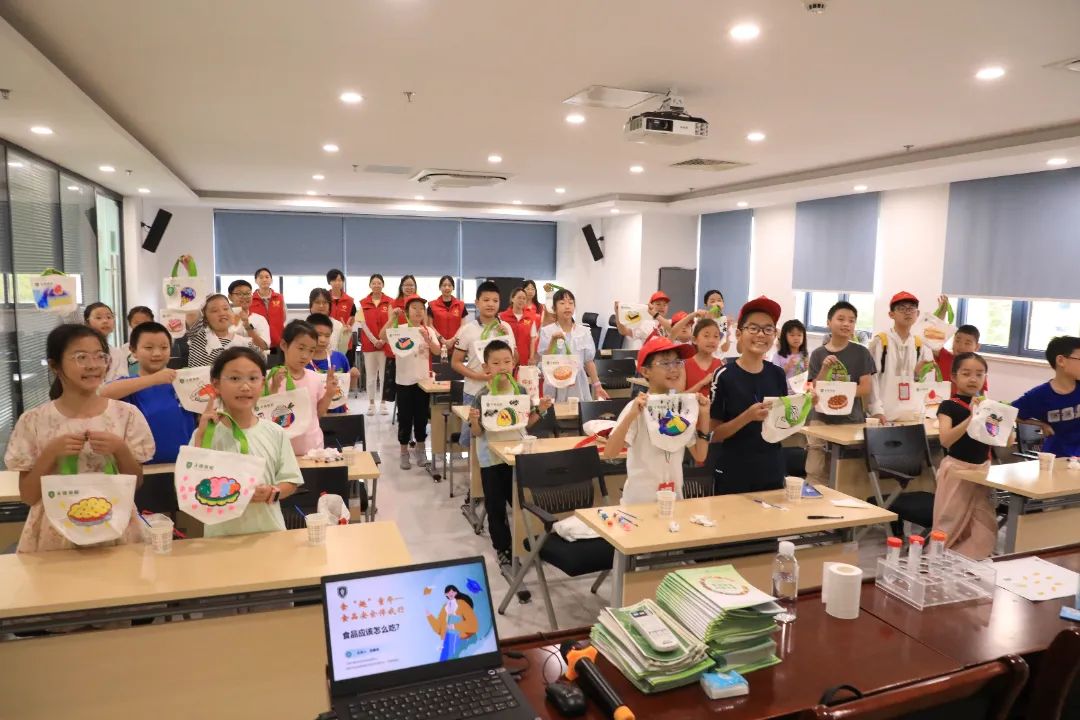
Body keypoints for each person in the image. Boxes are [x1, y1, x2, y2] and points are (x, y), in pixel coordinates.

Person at [5, 324, 155, 552]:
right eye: (81, 357)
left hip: (115, 526)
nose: (93, 365)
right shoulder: (33, 421)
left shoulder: (126, 415)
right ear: (55, 365)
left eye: (99, 356)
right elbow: (28, 496)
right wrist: (50, 454)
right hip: (56, 532)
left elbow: (135, 484)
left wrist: (120, 450)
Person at [191, 347, 302, 537]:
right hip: (220, 537)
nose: (245, 386)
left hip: (270, 534)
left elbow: (291, 481)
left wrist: (272, 491)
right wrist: (201, 437)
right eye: (235, 378)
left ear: (262, 383)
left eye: (253, 378)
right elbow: (192, 485)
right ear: (216, 384)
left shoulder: (275, 432)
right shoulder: (204, 433)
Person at [467, 340, 552, 571]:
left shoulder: (521, 392)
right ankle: (502, 547)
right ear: (486, 367)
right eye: (496, 363)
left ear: (514, 363)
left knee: (520, 503)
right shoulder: (482, 396)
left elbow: (527, 423)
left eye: (507, 361)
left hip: (517, 456)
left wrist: (541, 410)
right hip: (491, 459)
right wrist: (474, 420)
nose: (502, 367)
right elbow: (477, 433)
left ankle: (528, 543)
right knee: (495, 506)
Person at [605, 337, 711, 505]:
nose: (674, 369)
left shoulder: (681, 409)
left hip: (673, 501)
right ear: (646, 371)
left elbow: (700, 455)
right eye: (665, 363)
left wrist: (704, 415)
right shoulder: (637, 407)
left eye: (678, 362)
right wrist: (631, 416)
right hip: (638, 504)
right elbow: (610, 453)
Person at [709, 296, 791, 494]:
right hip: (735, 470)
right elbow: (713, 434)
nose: (761, 334)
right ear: (739, 333)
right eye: (753, 328)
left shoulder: (777, 374)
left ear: (774, 335)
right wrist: (747, 417)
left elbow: (783, 424)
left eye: (768, 329)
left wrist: (805, 405)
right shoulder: (724, 375)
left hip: (772, 468)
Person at [100, 322, 196, 464]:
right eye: (149, 348)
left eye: (164, 347)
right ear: (133, 351)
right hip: (142, 467)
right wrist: (153, 379)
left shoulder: (183, 382)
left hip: (183, 464)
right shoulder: (129, 385)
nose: (157, 353)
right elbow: (102, 393)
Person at [805, 302, 877, 487]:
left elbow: (865, 388)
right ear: (829, 322)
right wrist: (825, 369)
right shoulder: (818, 354)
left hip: (851, 420)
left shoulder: (861, 352)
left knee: (846, 475)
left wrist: (838, 392)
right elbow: (815, 388)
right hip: (821, 420)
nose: (846, 324)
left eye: (851, 321)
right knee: (815, 470)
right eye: (841, 319)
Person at [933, 353, 996, 558]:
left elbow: (1003, 440)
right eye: (966, 374)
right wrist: (972, 417)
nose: (973, 379)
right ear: (954, 377)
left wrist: (1003, 421)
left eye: (979, 374)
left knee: (983, 527)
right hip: (957, 470)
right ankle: (935, 562)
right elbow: (946, 440)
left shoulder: (988, 406)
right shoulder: (948, 406)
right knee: (948, 524)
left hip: (981, 471)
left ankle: (965, 563)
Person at [453, 280, 516, 449]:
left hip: (501, 393)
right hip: (474, 392)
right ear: (477, 302)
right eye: (486, 300)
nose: (491, 304)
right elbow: (455, 362)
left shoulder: (506, 327)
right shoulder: (468, 329)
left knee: (499, 433)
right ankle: (472, 467)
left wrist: (507, 338)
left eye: (495, 300)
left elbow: (515, 359)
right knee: (471, 439)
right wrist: (477, 376)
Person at [380, 295, 440, 470]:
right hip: (404, 381)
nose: (418, 311)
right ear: (406, 312)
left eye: (422, 308)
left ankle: (421, 450)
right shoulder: (400, 329)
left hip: (423, 382)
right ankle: (404, 452)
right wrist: (392, 317)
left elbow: (437, 351)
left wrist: (428, 339)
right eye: (414, 308)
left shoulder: (428, 330)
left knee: (421, 418)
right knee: (405, 418)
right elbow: (382, 336)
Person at [867, 291, 935, 421]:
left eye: (911, 308)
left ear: (917, 314)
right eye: (901, 308)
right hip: (885, 414)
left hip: (913, 414)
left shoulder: (920, 344)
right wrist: (876, 410)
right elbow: (872, 378)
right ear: (891, 314)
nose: (907, 312)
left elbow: (923, 384)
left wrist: (917, 374)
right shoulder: (880, 341)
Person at [269, 320, 334, 456]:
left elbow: (318, 414)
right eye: (301, 348)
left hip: (313, 450)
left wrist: (329, 394)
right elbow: (264, 416)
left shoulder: (314, 378)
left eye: (311, 350)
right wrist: (274, 388)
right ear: (284, 345)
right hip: (281, 453)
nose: (305, 355)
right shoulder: (270, 377)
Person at [535, 288, 609, 402]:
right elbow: (545, 360)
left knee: (579, 410)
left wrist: (597, 386)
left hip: (578, 383)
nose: (567, 306)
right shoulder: (547, 331)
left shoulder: (584, 331)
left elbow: (588, 362)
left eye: (571, 303)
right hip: (555, 382)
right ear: (554, 308)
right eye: (562, 303)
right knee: (555, 410)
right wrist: (553, 341)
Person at [1013, 335, 1080, 458]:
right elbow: (1009, 412)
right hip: (1056, 458)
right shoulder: (1039, 395)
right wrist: (1041, 424)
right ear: (1061, 361)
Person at [358, 274, 393, 415]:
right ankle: (371, 404)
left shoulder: (390, 302)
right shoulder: (362, 303)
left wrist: (383, 340)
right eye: (374, 283)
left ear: (383, 285)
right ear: (370, 285)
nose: (376, 285)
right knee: (371, 376)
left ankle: (383, 403)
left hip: (386, 345)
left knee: (384, 376)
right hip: (369, 345)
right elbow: (363, 325)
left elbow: (392, 323)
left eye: (379, 283)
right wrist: (374, 340)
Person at [187, 294, 254, 367]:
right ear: (205, 318)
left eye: (225, 309)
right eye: (214, 311)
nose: (222, 313)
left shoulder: (245, 343)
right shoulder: (198, 334)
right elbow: (190, 308)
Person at [305, 313, 352, 415]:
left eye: (327, 336)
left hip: (338, 414)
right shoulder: (302, 362)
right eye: (318, 335)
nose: (323, 340)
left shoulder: (340, 358)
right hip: (312, 416)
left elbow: (348, 388)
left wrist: (354, 378)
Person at [426, 585, 479, 662]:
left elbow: (473, 625)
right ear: (446, 594)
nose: (450, 594)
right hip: (448, 638)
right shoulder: (445, 607)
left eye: (452, 592)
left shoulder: (462, 604)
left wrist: (454, 626)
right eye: (448, 592)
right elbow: (439, 628)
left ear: (456, 592)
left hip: (463, 638)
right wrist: (430, 617)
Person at [84, 302, 131, 382]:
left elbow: (123, 381)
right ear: (87, 323)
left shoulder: (118, 353)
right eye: (98, 318)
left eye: (109, 317)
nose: (105, 321)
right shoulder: (81, 350)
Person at [681, 317, 724, 397]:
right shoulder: (684, 365)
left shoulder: (721, 365)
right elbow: (679, 397)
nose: (712, 340)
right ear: (694, 340)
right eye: (706, 336)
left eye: (716, 336)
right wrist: (701, 383)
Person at [499, 287, 538, 369]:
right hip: (506, 356)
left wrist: (531, 357)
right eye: (519, 298)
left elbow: (532, 340)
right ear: (512, 299)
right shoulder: (502, 317)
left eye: (524, 298)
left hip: (524, 357)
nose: (522, 300)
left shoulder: (530, 318)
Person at [227, 279, 270, 353]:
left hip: (254, 359)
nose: (244, 296)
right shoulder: (224, 318)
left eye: (248, 293)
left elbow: (264, 346)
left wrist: (247, 326)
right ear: (230, 297)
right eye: (239, 294)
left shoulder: (260, 319)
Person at [428, 275, 468, 353]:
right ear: (440, 287)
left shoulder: (460, 305)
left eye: (449, 285)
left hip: (457, 346)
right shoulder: (432, 305)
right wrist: (442, 340)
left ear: (453, 287)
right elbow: (430, 325)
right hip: (437, 346)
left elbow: (463, 326)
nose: (447, 288)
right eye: (444, 285)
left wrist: (453, 340)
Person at [249, 267, 286, 348]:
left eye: (267, 277)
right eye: (261, 277)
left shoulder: (279, 297)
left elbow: (283, 317)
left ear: (271, 280)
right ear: (256, 281)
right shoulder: (250, 300)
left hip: (278, 341)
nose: (264, 280)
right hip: (259, 342)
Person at [325, 268, 357, 347]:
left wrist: (348, 326)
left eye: (339, 280)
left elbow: (352, 318)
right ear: (329, 282)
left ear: (343, 282)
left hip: (344, 337)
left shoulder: (350, 300)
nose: (337, 283)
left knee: (342, 353)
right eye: (334, 280)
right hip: (327, 336)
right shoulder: (325, 298)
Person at [703, 290, 734, 357]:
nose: (716, 303)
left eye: (719, 300)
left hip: (719, 359)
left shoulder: (726, 321)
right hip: (704, 358)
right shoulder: (701, 320)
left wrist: (727, 329)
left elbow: (725, 349)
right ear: (706, 305)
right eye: (712, 301)